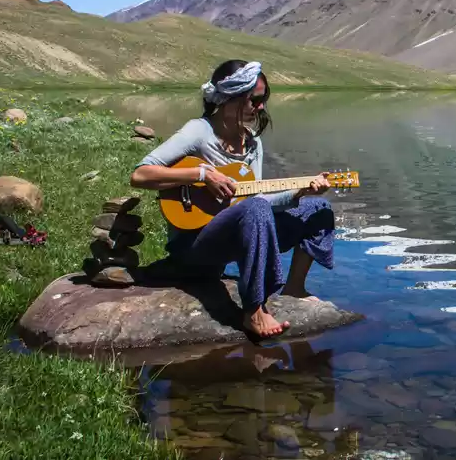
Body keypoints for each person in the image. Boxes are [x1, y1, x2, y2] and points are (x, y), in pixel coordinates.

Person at [130, 59, 335, 338]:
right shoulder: (199, 132)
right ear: (229, 98)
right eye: (255, 100)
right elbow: (140, 175)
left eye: (263, 100)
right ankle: (253, 309)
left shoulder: (252, 143)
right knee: (255, 209)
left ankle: (294, 287)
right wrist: (202, 175)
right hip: (194, 244)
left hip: (241, 228)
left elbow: (257, 198)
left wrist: (299, 193)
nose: (261, 107)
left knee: (318, 208)